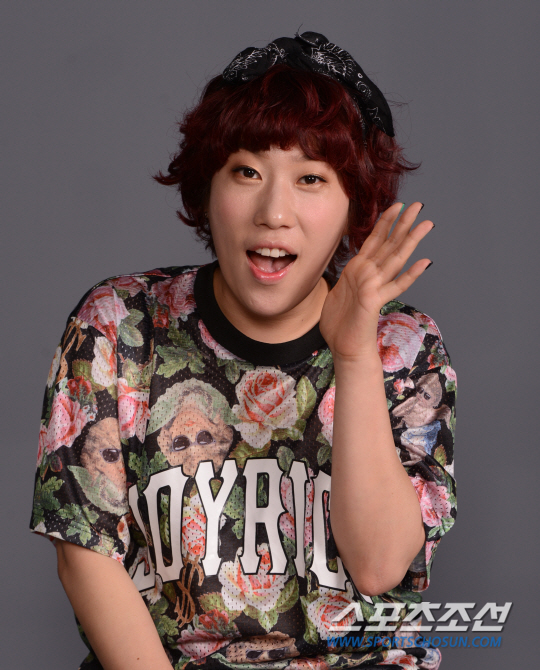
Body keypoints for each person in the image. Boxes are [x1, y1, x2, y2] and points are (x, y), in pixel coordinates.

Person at [30, 31, 456, 670]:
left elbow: (378, 567)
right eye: (248, 172)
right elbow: (83, 554)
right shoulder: (119, 327)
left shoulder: (403, 347)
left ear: (354, 208)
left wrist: (354, 356)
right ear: (208, 186)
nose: (274, 211)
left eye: (311, 178)